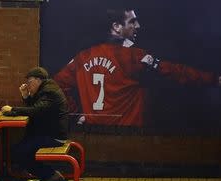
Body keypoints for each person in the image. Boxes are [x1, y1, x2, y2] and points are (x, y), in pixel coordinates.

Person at [54, 8, 221, 127]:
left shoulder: (83, 57)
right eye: (132, 21)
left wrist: (76, 114)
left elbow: (57, 85)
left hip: (94, 135)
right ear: (116, 27)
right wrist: (214, 79)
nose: (138, 26)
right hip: (129, 137)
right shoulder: (134, 57)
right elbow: (175, 72)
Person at [1, 67, 69, 181]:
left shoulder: (49, 91)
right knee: (22, 146)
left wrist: (12, 109)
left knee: (18, 151)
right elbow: (36, 108)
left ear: (38, 80)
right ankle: (38, 172)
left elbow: (36, 110)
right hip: (51, 133)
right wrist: (25, 95)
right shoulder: (46, 89)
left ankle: (51, 175)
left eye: (29, 82)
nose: (27, 85)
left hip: (54, 137)